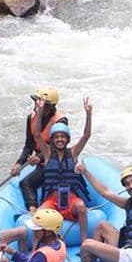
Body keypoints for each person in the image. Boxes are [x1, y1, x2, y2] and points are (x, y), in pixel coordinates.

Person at [32, 95, 92, 243]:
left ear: (67, 139)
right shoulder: (47, 153)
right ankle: (36, 247)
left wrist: (88, 114)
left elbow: (86, 136)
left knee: (81, 207)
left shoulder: (73, 152)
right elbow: (38, 135)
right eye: (56, 137)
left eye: (63, 137)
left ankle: (84, 242)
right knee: (38, 215)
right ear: (52, 140)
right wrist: (39, 112)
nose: (60, 139)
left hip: (70, 197)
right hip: (52, 199)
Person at [10, 87, 68, 212]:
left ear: (51, 106)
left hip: (56, 162)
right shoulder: (31, 118)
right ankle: (33, 210)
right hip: (42, 164)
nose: (37, 104)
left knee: (42, 186)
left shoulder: (60, 121)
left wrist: (40, 157)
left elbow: (57, 146)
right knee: (25, 183)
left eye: (42, 103)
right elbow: (29, 145)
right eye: (36, 101)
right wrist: (19, 163)